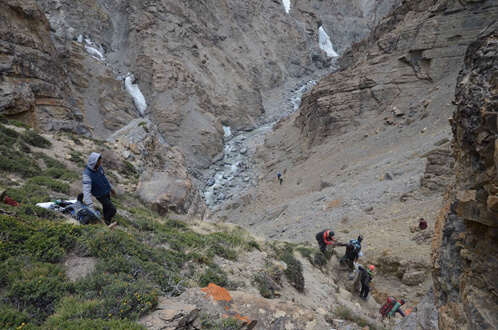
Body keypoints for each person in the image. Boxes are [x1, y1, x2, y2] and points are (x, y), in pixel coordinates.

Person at [83, 152, 116, 225]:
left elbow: (104, 178)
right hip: (100, 195)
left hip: (106, 192)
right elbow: (86, 191)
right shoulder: (87, 175)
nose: (101, 162)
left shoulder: (99, 168)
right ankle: (105, 224)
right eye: (99, 161)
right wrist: (90, 205)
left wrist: (111, 188)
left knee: (106, 210)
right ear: (94, 162)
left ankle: (106, 224)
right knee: (112, 209)